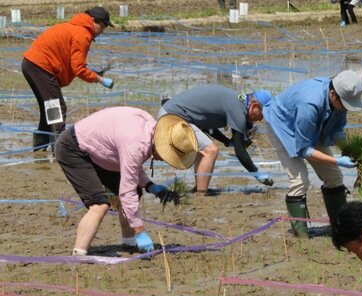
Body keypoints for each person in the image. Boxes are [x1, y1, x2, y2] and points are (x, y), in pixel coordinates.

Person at [54, 107, 198, 256]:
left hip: (99, 151)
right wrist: (140, 230)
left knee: (136, 191)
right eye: (168, 156)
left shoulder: (149, 129)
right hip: (73, 148)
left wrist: (150, 186)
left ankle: (128, 243)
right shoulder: (135, 142)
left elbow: (130, 165)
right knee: (99, 204)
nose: (164, 160)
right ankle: (79, 254)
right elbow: (127, 189)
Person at [262, 70, 362, 237]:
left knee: (334, 178)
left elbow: (337, 129)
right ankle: (300, 234)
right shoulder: (310, 104)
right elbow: (304, 149)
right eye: (344, 104)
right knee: (299, 180)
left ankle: (339, 227)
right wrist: (337, 160)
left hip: (311, 127)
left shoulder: (340, 99)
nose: (346, 108)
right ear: (333, 94)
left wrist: (349, 149)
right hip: (284, 127)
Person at [22, 7, 115, 152]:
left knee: (49, 107)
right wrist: (99, 79)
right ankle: (59, 149)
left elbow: (73, 64)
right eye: (102, 26)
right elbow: (78, 69)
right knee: (57, 107)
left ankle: (41, 146)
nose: (102, 31)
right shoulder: (82, 34)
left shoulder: (75, 28)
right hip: (41, 67)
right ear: (93, 21)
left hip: (32, 64)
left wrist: (92, 73)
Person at [158, 84, 274, 195]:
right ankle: (201, 194)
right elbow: (240, 151)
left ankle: (200, 188)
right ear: (254, 106)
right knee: (211, 150)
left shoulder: (237, 102)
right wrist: (257, 173)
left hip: (170, 112)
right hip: (172, 118)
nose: (260, 119)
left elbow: (209, 128)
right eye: (262, 114)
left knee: (204, 149)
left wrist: (228, 142)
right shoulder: (238, 110)